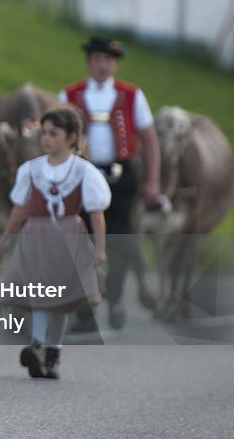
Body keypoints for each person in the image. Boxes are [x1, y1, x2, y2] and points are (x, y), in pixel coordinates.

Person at [0, 106, 110, 379]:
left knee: (61, 299)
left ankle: (53, 351)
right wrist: (6, 236)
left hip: (69, 236)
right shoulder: (30, 170)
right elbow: (20, 208)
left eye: (54, 133)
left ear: (71, 137)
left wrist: (100, 247)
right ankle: (37, 346)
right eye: (44, 133)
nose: (46, 139)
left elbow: (96, 212)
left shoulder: (84, 171)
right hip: (36, 236)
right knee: (40, 295)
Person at [58, 36, 159, 331]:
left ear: (114, 64)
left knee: (120, 242)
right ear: (88, 62)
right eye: (97, 59)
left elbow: (149, 138)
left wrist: (153, 179)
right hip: (82, 177)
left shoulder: (132, 96)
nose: (102, 65)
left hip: (121, 178)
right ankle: (85, 308)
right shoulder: (69, 95)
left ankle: (114, 297)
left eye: (108, 60)